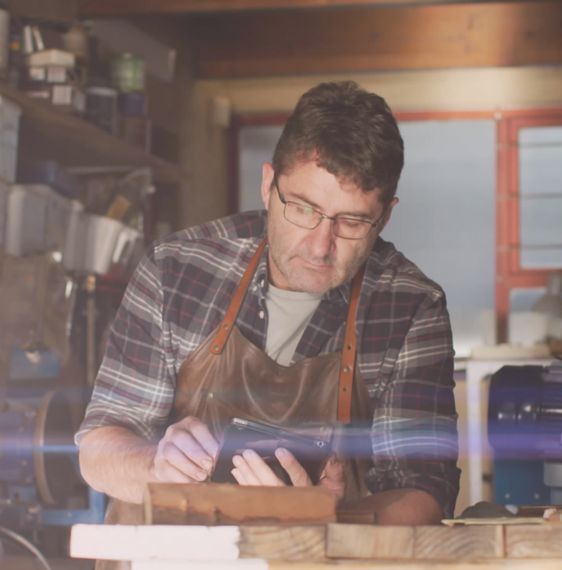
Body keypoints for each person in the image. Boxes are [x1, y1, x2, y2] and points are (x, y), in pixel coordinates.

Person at [76, 81, 459, 526]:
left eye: (351, 222)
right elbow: (98, 449)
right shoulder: (179, 269)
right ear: (267, 185)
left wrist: (330, 518)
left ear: (385, 216)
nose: (320, 246)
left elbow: (424, 496)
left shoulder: (410, 307)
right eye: (302, 208)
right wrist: (155, 465)